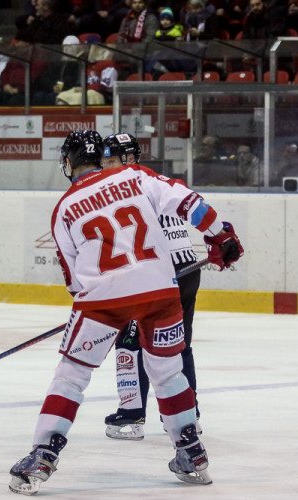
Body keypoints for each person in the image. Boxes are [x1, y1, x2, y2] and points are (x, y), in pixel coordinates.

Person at [8, 130, 243, 495]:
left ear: (68, 163)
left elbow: (73, 282)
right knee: (168, 372)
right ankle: (192, 454)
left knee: (71, 376)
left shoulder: (65, 208)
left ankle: (42, 456)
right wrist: (220, 237)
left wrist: (101, 313)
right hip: (162, 292)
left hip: (102, 300)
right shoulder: (136, 176)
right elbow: (191, 204)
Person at [98, 133, 242, 442]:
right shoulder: (158, 182)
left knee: (130, 342)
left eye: (110, 161)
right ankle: (189, 416)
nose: (104, 167)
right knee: (178, 346)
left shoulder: (119, 192)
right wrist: (221, 235)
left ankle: (130, 417)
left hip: (158, 277)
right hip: (187, 272)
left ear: (128, 160)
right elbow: (196, 207)